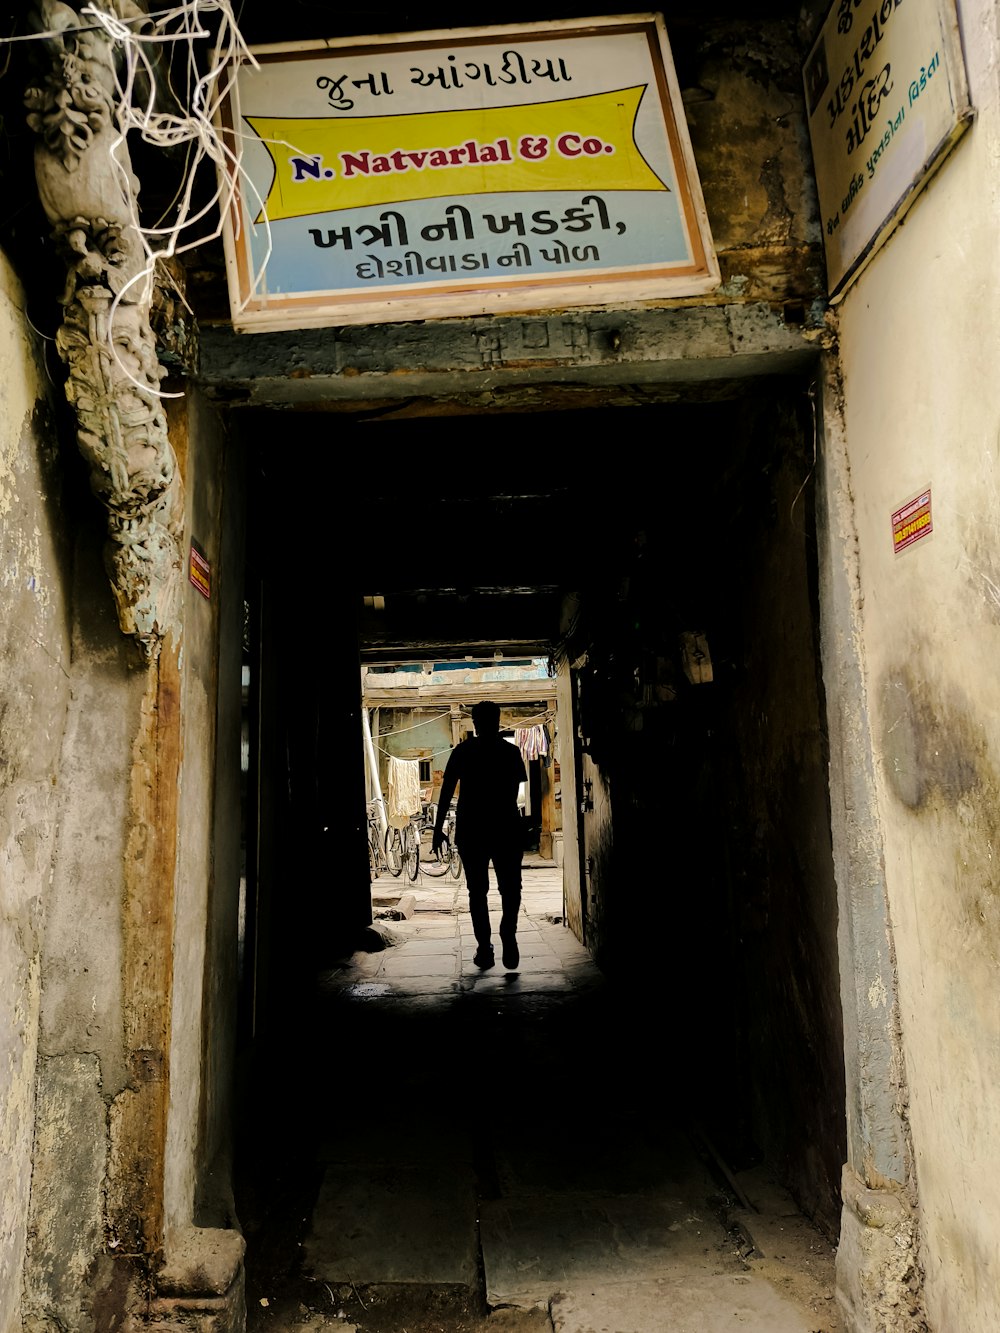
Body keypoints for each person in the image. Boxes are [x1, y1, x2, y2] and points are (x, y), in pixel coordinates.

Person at [432, 700, 527, 970]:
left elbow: (446, 790)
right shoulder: (510, 752)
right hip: (505, 828)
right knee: (511, 888)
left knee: (477, 892)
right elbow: (512, 791)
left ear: (474, 723)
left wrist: (438, 829)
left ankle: (484, 948)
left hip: (472, 829)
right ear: (498, 721)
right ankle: (508, 932)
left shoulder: (463, 751)